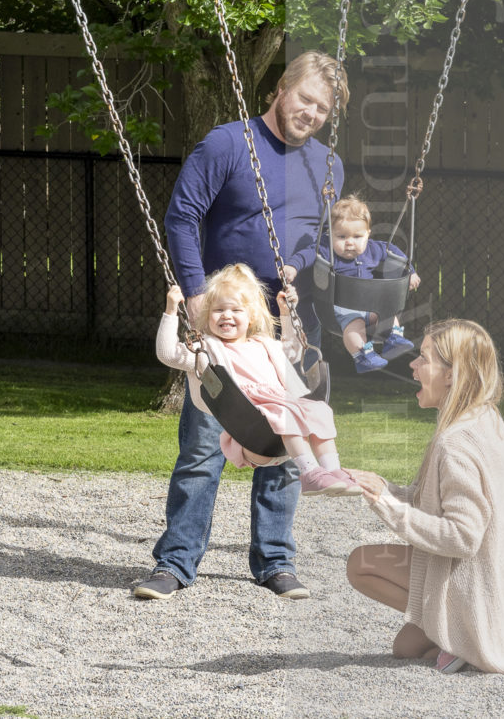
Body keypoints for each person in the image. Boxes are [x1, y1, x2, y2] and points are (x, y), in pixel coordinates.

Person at [134, 51, 348, 603]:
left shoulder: (328, 165)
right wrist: (196, 296)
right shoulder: (228, 144)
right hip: (227, 323)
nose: (311, 113)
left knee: (285, 447)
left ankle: (275, 560)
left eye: (323, 109)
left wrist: (304, 266)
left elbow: (321, 240)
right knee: (203, 448)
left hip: (290, 324)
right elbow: (182, 215)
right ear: (281, 88)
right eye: (305, 99)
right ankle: (176, 562)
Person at [346, 318, 504, 677]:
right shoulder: (485, 418)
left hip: (481, 583)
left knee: (359, 564)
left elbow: (462, 536)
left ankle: (471, 637)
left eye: (424, 358)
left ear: (451, 374)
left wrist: (388, 505)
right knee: (406, 647)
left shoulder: (455, 442)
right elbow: (434, 501)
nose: (413, 365)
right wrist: (381, 488)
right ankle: (460, 637)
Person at [156, 263, 360, 496]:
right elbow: (167, 354)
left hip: (281, 420)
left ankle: (333, 471)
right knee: (286, 411)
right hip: (253, 430)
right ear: (207, 314)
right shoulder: (207, 350)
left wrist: (286, 314)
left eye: (236, 310)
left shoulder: (263, 343)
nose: (226, 315)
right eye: (218, 310)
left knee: (319, 409)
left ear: (251, 317)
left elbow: (293, 351)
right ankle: (310, 473)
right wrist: (171, 311)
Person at [286, 194, 421, 372]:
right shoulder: (326, 250)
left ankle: (393, 338)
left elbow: (397, 255)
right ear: (330, 235)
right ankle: (362, 355)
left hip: (370, 303)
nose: (349, 242)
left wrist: (411, 272)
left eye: (357, 237)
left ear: (367, 235)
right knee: (354, 326)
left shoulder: (374, 249)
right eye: (342, 237)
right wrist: (293, 267)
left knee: (388, 313)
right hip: (343, 306)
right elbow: (307, 254)